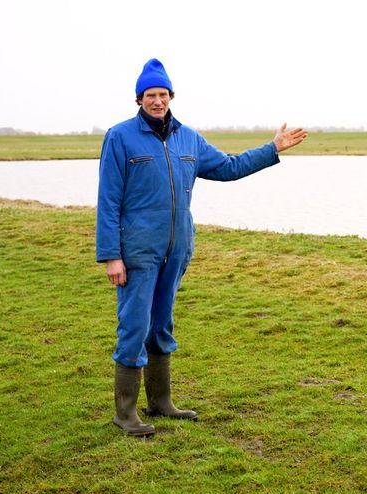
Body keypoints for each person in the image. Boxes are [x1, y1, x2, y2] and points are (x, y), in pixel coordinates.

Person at [96, 58, 307, 437]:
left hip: (176, 250)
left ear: (171, 96)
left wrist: (272, 148)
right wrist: (111, 255)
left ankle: (161, 403)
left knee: (161, 324)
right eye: (150, 95)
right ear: (139, 99)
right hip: (137, 251)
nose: (157, 101)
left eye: (162, 94)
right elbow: (109, 200)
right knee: (134, 325)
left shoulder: (188, 138)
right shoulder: (120, 137)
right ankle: (124, 414)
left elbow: (228, 166)